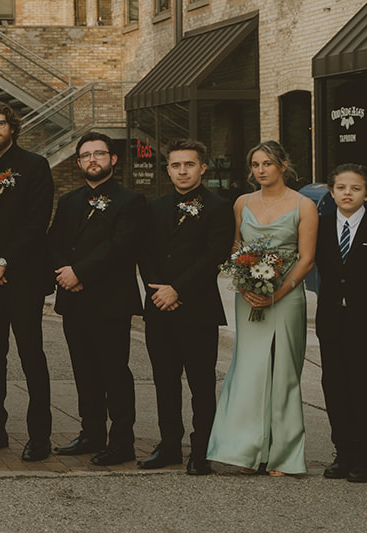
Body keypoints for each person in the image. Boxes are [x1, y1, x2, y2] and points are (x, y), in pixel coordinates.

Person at [207, 140, 317, 476]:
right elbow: (236, 249)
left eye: (267, 163)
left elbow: (307, 258)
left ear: (283, 165)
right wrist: (243, 284)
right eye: (255, 165)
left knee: (283, 370)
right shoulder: (242, 202)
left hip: (286, 296)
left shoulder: (304, 205)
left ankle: (283, 455)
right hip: (249, 296)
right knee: (250, 370)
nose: (261, 170)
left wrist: (278, 293)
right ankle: (242, 450)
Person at [48, 132, 146, 466]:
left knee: (113, 372)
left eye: (99, 154)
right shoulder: (69, 201)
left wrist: (81, 273)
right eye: (86, 155)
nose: (92, 160)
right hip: (73, 300)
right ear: (78, 162)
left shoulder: (130, 200)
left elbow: (120, 247)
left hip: (110, 300)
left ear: (113, 159)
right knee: (84, 370)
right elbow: (54, 242)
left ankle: (122, 442)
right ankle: (90, 433)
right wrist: (64, 272)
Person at [137, 139, 232, 475]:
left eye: (188, 165)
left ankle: (201, 450)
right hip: (159, 307)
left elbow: (214, 256)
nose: (182, 171)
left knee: (201, 384)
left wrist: (178, 290)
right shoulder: (155, 207)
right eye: (175, 165)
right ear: (168, 169)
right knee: (164, 381)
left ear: (202, 168)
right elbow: (145, 252)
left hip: (197, 308)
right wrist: (159, 291)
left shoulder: (219, 207)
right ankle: (169, 445)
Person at [0, 101, 55, 462]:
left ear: (12, 127)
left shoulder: (35, 167)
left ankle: (40, 437)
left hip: (24, 279)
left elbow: (36, 224)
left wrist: (3, 264)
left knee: (31, 355)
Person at [313, 163, 367, 484]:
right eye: (340, 188)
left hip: (365, 322)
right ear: (332, 191)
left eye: (355, 188)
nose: (347, 193)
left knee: (365, 387)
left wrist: (366, 304)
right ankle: (344, 452)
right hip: (331, 321)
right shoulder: (319, 226)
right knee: (335, 386)